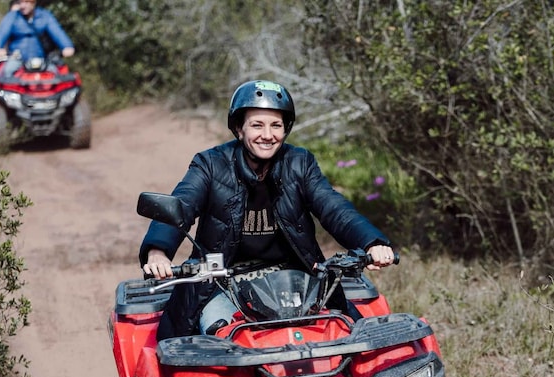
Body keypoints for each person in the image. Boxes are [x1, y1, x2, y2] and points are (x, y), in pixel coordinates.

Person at [140, 79, 396, 338]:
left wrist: (371, 242)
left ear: (286, 129)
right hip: (221, 283)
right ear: (239, 129)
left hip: (295, 279)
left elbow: (334, 207)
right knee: (218, 339)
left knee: (344, 334)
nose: (267, 135)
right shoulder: (210, 164)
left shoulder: (300, 163)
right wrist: (157, 252)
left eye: (276, 125)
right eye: (257, 125)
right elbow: (182, 204)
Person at [0, 0, 75, 76]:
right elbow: (2, 33)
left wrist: (67, 46)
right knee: (6, 73)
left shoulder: (44, 16)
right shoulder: (12, 17)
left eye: (26, 2)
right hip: (17, 59)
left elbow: (58, 32)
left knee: (56, 74)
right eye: (21, 2)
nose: (23, 6)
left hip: (41, 60)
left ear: (33, 3)